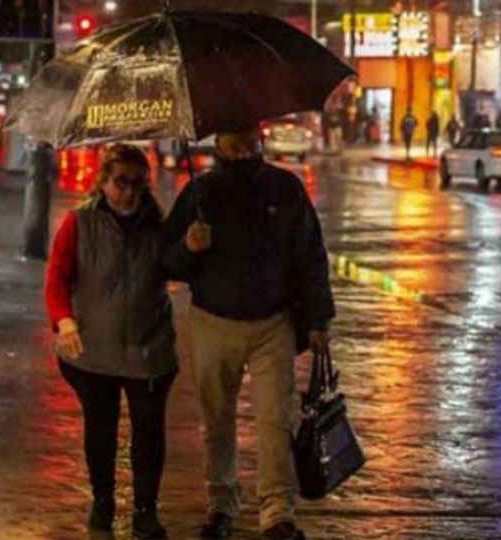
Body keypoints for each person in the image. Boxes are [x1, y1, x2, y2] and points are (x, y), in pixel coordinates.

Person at [162, 128, 335, 540]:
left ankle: (277, 513)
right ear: (217, 142)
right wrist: (188, 246)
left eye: (246, 135)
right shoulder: (199, 193)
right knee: (216, 420)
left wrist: (317, 318)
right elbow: (165, 260)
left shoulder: (284, 188)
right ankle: (221, 505)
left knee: (275, 419)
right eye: (231, 136)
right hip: (213, 322)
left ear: (259, 138)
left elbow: (310, 253)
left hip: (272, 323)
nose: (240, 145)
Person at [45, 144, 176, 539]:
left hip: (148, 348)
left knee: (148, 431)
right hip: (93, 351)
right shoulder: (79, 223)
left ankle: (145, 510)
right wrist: (64, 320)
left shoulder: (159, 226)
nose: (129, 192)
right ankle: (102, 502)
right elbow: (57, 278)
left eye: (138, 183)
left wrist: (192, 247)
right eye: (121, 182)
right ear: (102, 182)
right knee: (99, 428)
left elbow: (182, 268)